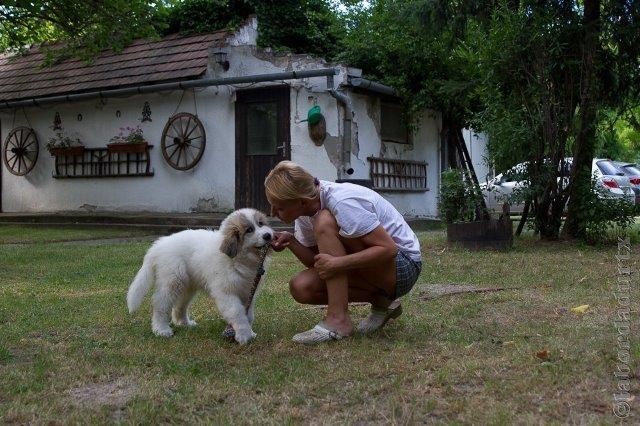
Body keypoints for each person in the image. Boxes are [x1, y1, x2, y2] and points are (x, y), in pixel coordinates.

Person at [264, 161, 422, 344]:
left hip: (404, 267)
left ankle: (338, 321)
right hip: (375, 269)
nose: (273, 212)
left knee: (324, 220)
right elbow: (320, 263)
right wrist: (291, 241)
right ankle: (382, 301)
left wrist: (339, 263)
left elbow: (388, 249)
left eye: (279, 207)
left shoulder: (341, 201)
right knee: (302, 287)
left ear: (302, 201)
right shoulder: (306, 210)